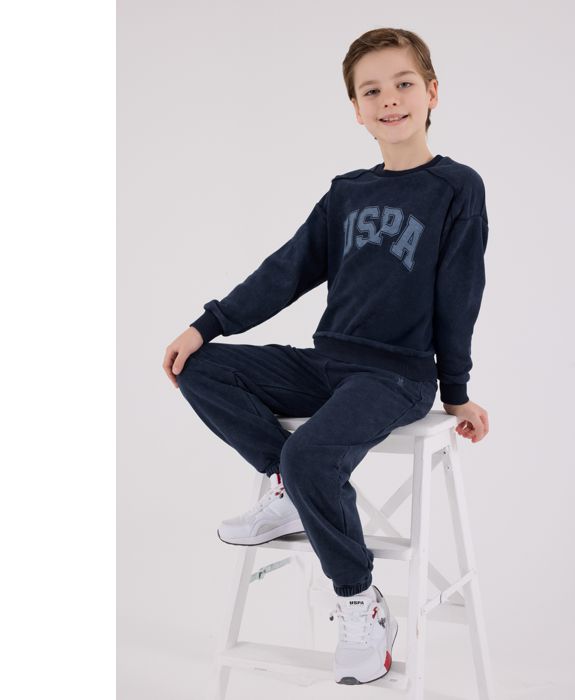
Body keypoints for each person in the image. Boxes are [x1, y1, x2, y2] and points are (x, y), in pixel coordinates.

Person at [162, 27, 490, 685]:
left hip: (397, 376)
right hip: (329, 366)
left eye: (403, 84)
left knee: (311, 454)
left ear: (432, 93)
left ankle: (360, 603)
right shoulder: (346, 192)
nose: (389, 99)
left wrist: (455, 393)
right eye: (371, 90)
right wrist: (208, 324)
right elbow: (286, 270)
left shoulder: (456, 187)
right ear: (356, 109)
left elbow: (460, 294)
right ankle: (289, 486)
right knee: (198, 368)